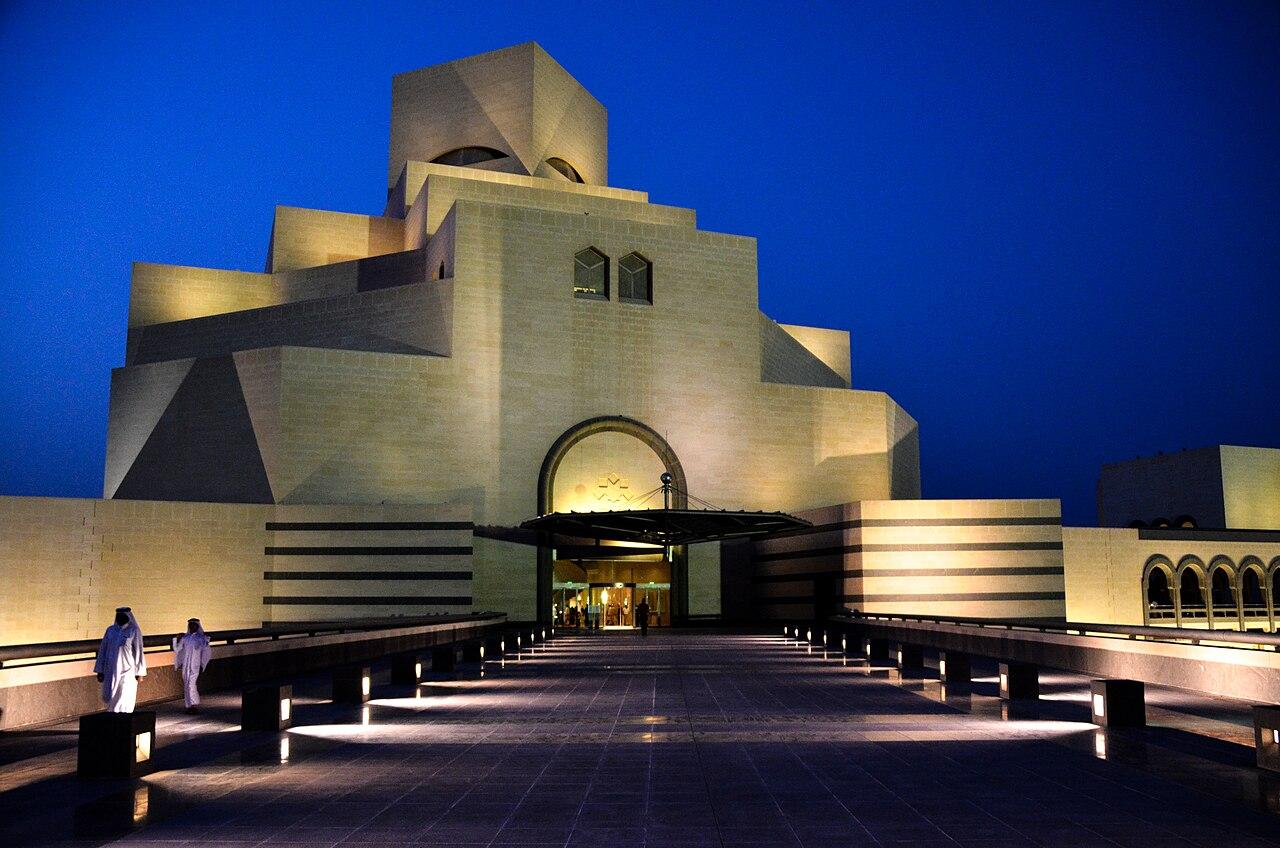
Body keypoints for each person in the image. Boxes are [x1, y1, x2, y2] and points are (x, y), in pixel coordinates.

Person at [94, 607, 146, 713]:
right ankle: (113, 715)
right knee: (112, 694)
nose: (120, 618)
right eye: (118, 616)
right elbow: (103, 649)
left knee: (123, 694)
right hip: (110, 669)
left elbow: (139, 651)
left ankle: (123, 716)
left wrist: (139, 672)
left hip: (127, 671)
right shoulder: (110, 630)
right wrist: (100, 670)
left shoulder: (133, 630)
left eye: (122, 616)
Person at [172, 618, 212, 714]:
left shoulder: (202, 638)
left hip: (195, 665)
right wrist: (175, 639)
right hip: (186, 666)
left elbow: (206, 652)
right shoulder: (185, 638)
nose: (192, 627)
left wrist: (203, 663)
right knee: (186, 685)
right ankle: (189, 706)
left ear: (197, 626)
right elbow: (177, 650)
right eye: (191, 625)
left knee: (191, 684)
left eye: (194, 625)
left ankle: (194, 705)